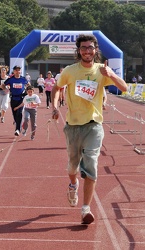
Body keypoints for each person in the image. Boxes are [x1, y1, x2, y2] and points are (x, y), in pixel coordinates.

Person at [51, 34, 128, 225]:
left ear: (96, 50)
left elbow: (124, 88)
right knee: (72, 167)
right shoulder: (70, 71)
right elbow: (56, 88)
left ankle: (86, 209)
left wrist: (111, 75)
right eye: (84, 48)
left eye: (90, 48)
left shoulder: (102, 71)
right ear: (78, 50)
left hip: (94, 125)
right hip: (73, 126)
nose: (87, 51)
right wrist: (54, 106)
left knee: (91, 165)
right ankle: (73, 183)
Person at [4, 65, 29, 136]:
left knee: (19, 113)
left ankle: (18, 129)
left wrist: (27, 92)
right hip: (13, 99)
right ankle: (18, 124)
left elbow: (29, 85)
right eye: (16, 70)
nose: (17, 71)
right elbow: (4, 85)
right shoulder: (10, 79)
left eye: (19, 70)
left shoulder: (23, 79)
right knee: (15, 115)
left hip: (21, 99)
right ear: (14, 71)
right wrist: (6, 88)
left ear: (20, 71)